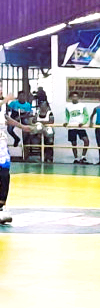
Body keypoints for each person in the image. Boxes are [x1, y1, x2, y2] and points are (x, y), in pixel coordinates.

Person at [0, 93, 35, 224]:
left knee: (4, 176)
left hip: (1, 146)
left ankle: (1, 207)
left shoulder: (3, 106)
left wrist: (22, 127)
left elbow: (5, 118)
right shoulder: (3, 103)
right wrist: (5, 100)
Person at [64, 91, 90, 164]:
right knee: (74, 143)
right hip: (72, 126)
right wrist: (66, 122)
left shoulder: (82, 105)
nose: (74, 98)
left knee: (86, 140)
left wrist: (83, 123)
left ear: (78, 98)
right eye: (73, 97)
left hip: (80, 126)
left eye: (76, 97)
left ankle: (83, 157)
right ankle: (76, 158)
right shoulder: (68, 106)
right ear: (71, 98)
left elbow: (86, 116)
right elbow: (67, 116)